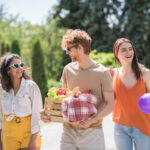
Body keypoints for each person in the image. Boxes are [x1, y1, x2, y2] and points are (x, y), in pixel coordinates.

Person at [41, 29, 114, 150]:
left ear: (80, 48)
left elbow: (111, 104)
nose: (67, 52)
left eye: (69, 49)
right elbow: (63, 100)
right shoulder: (68, 70)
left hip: (92, 133)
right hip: (68, 133)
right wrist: (49, 113)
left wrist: (92, 120)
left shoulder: (102, 72)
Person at [111, 38, 150, 150]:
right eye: (124, 50)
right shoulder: (113, 74)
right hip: (120, 128)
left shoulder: (146, 74)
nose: (128, 53)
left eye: (130, 49)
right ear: (117, 54)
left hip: (143, 126)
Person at [0, 53, 42, 150]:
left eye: (21, 65)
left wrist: (33, 139)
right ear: (8, 71)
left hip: (28, 133)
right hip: (8, 134)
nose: (20, 68)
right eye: (16, 66)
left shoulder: (31, 86)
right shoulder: (2, 90)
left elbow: (37, 113)